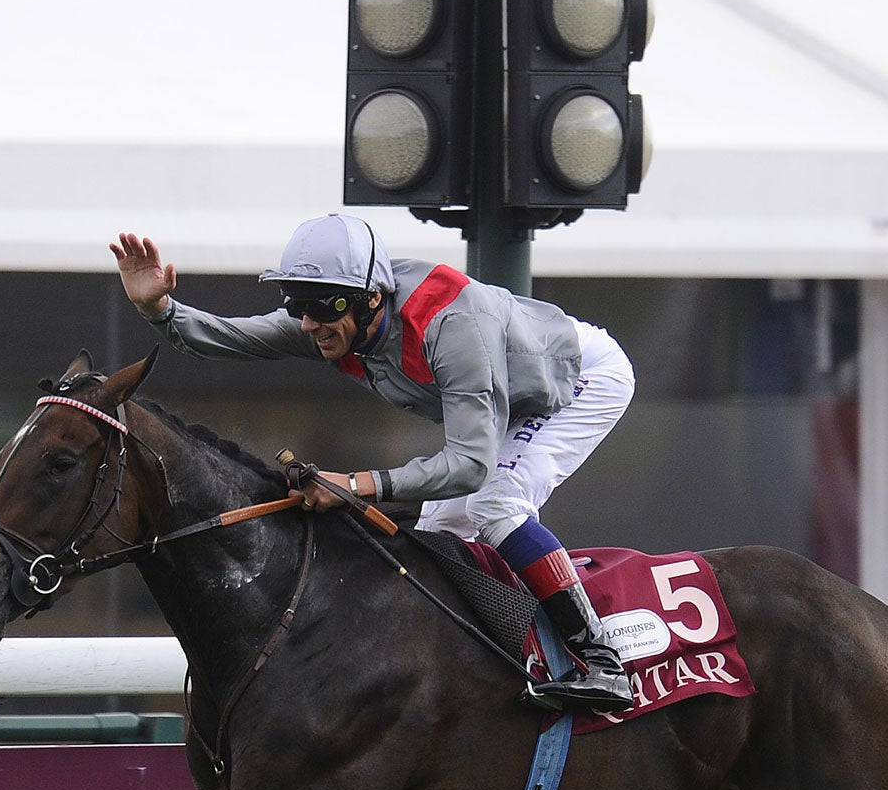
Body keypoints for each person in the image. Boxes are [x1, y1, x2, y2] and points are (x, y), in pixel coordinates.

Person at [112, 213, 637, 713]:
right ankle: (491, 665)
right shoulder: (335, 315)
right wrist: (159, 310)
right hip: (509, 393)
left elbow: (471, 465)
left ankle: (601, 659)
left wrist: (359, 484)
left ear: (369, 300)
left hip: (580, 381)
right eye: (299, 307)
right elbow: (233, 337)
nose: (310, 324)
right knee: (441, 530)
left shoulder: (451, 328)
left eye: (323, 309)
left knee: (495, 503)